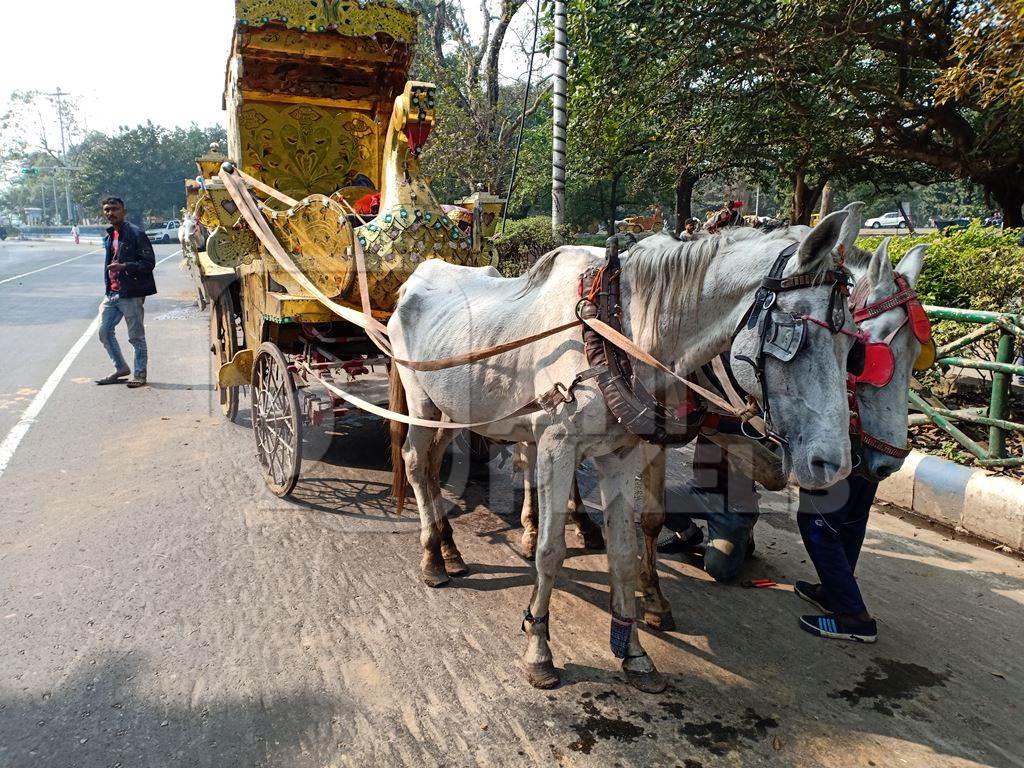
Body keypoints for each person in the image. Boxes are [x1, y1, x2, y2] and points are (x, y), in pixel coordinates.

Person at [794, 476, 879, 643]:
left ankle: (853, 616)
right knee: (849, 522)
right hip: (869, 459)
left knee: (815, 524)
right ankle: (833, 595)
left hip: (839, 460)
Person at [95, 197, 156, 388]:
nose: (110, 213)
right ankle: (121, 368)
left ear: (124, 211)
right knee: (104, 331)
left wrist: (124, 266)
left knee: (136, 336)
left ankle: (139, 374)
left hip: (132, 292)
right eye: (107, 209)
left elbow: (149, 263)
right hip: (112, 293)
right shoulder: (109, 235)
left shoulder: (136, 234)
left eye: (114, 209)